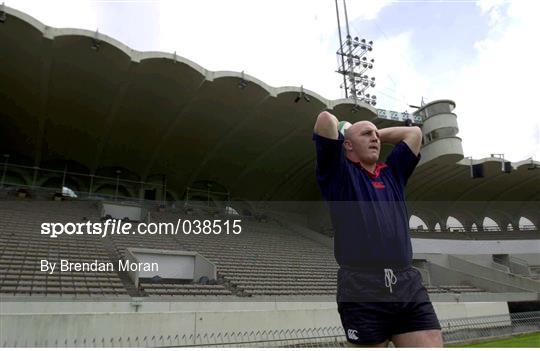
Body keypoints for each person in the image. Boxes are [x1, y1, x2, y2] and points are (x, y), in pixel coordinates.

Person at [312, 111, 443, 347]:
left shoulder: (392, 172)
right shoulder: (338, 174)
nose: (374, 138)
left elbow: (413, 133)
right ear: (347, 145)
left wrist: (371, 134)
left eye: (376, 135)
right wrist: (346, 130)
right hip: (361, 288)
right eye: (366, 134)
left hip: (406, 283)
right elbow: (325, 120)